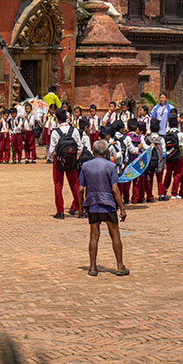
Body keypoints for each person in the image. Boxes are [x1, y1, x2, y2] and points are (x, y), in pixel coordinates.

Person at [77, 140, 129, 277]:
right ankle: (119, 266)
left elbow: (81, 189)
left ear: (93, 152)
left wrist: (81, 208)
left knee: (94, 236)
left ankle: (93, 267)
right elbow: (115, 189)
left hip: (92, 204)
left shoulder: (85, 166)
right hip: (108, 204)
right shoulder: (111, 167)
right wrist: (122, 208)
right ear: (107, 153)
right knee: (115, 235)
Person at [48, 108, 82, 219]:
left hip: (58, 161)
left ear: (57, 119)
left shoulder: (55, 132)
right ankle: (81, 207)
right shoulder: (74, 130)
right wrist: (75, 157)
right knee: (75, 184)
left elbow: (51, 151)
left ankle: (60, 211)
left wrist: (56, 157)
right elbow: (80, 147)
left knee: (58, 185)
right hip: (71, 160)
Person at [161, 114, 183, 200]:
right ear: (177, 124)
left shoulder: (167, 134)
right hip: (177, 157)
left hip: (169, 157)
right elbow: (181, 146)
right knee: (177, 174)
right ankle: (174, 193)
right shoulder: (180, 134)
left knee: (168, 174)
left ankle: (163, 191)